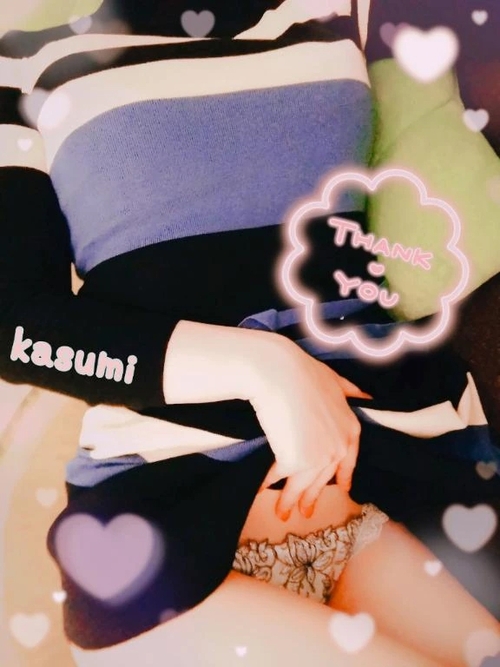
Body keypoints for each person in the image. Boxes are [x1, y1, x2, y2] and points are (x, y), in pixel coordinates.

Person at [0, 1, 499, 665]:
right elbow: (15, 324)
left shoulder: (339, 7)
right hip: (166, 519)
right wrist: (264, 368)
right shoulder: (24, 59)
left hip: (387, 476)